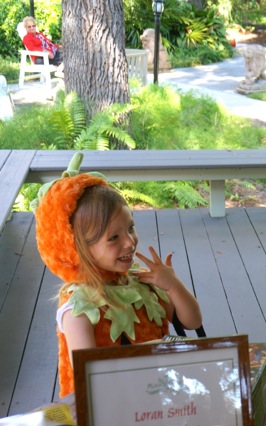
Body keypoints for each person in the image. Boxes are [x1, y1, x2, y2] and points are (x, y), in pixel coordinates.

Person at [33, 153, 202, 398]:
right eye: (113, 238)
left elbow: (192, 321)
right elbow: (90, 377)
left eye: (130, 228)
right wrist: (151, 354)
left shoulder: (140, 280)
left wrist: (173, 286)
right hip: (113, 410)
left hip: (157, 398)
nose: (129, 242)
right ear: (76, 249)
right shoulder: (78, 309)